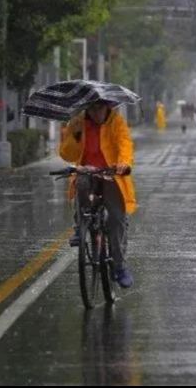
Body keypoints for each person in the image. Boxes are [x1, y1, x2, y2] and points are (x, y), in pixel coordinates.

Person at [59, 100, 137, 289]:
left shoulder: (116, 122)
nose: (96, 112)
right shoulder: (78, 123)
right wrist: (75, 135)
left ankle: (119, 267)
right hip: (88, 172)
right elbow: (66, 154)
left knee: (117, 220)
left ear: (107, 107)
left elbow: (124, 144)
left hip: (111, 175)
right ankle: (80, 225)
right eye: (92, 108)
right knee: (81, 182)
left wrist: (123, 163)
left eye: (100, 107)